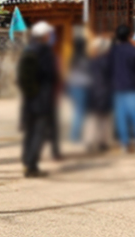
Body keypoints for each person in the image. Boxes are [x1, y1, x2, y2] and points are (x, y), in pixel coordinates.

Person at [16, 21, 58, 177]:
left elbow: (21, 77)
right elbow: (51, 75)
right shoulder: (45, 52)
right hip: (42, 98)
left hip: (29, 99)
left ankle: (27, 162)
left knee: (29, 132)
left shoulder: (28, 51)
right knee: (39, 133)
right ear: (45, 36)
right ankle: (32, 166)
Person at [109, 23, 135, 153]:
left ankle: (125, 144)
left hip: (117, 88)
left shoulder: (113, 51)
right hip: (132, 87)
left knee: (121, 118)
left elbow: (108, 69)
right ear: (129, 36)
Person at [84, 35, 114, 153]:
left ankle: (90, 142)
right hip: (105, 92)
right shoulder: (108, 62)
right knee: (104, 119)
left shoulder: (92, 62)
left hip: (93, 92)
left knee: (93, 119)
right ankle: (103, 142)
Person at [65, 35, 91, 143]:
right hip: (81, 87)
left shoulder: (73, 57)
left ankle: (76, 134)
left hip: (72, 86)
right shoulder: (83, 58)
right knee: (80, 112)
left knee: (78, 111)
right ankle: (75, 136)